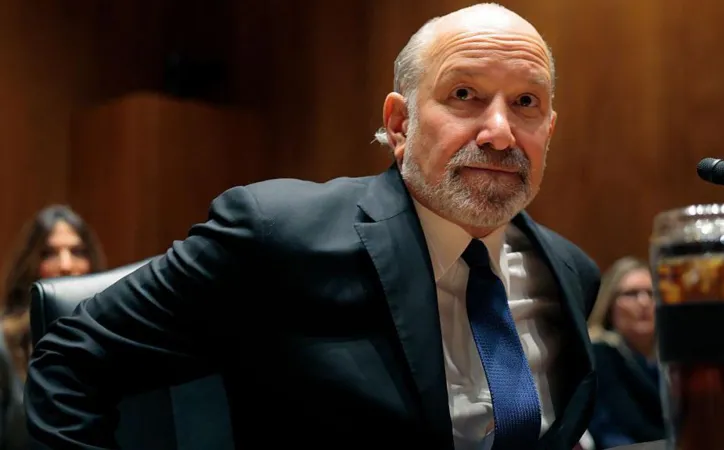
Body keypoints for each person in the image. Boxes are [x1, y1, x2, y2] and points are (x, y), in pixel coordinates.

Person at [26, 4, 601, 449]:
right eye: (464, 95)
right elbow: (70, 361)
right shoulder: (276, 236)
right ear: (399, 124)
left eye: (526, 102)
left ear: (548, 131)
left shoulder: (570, 272)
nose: (499, 132)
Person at [1, 205, 105, 383]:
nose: (65, 265)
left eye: (77, 252)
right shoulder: (5, 341)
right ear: (30, 263)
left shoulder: (109, 332)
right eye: (49, 254)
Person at [586, 257, 663, 448]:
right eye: (631, 294)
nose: (644, 302)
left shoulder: (669, 359)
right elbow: (621, 431)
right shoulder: (599, 355)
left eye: (651, 293)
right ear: (610, 304)